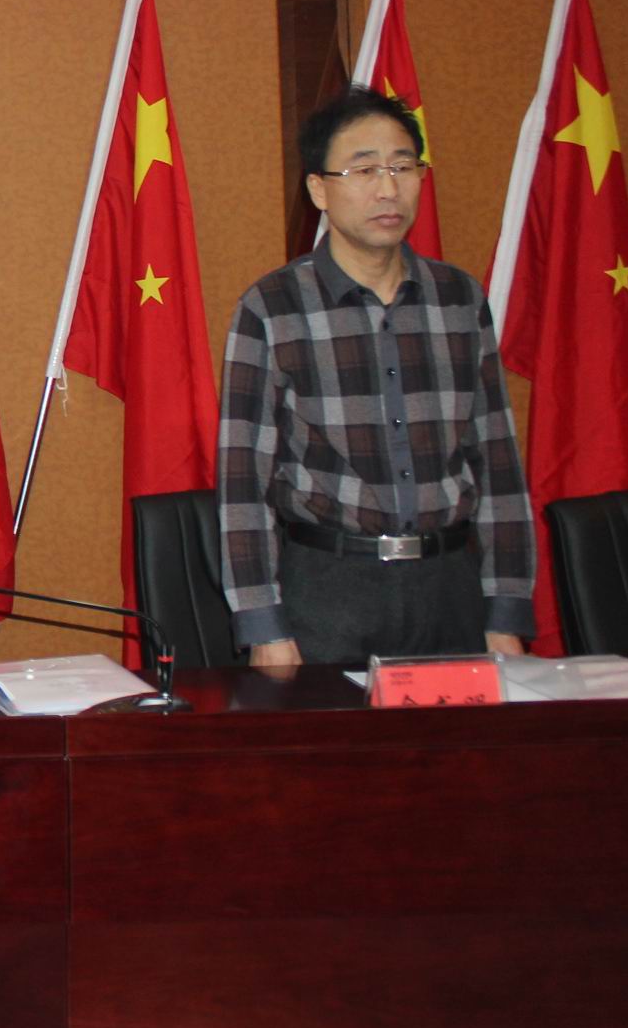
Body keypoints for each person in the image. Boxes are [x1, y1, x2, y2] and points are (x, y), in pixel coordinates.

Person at [219, 85, 534, 667]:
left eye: (402, 167)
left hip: (451, 587)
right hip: (328, 591)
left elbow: (498, 464)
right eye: (364, 170)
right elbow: (243, 483)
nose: (388, 189)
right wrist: (263, 626)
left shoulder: (459, 299)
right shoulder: (272, 308)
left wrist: (506, 610)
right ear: (319, 189)